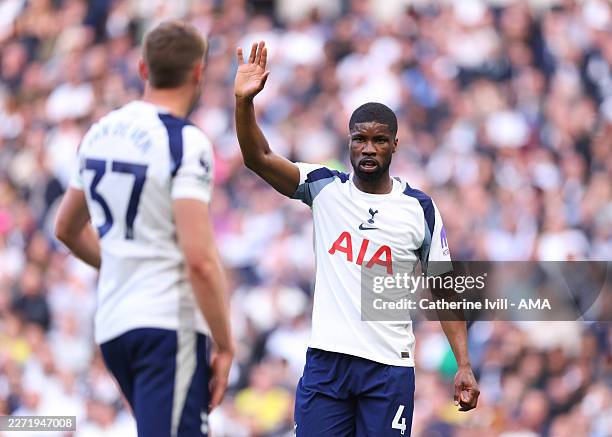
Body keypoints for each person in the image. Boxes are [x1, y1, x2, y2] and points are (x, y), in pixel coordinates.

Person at [234, 41, 479, 436]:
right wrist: (244, 103)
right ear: (348, 141)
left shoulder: (418, 208)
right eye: (359, 139)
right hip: (327, 363)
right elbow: (257, 158)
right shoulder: (323, 187)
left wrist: (463, 364)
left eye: (379, 140)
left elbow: (445, 290)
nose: (368, 148)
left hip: (388, 369)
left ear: (394, 145)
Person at [55, 21, 233, 437]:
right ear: (198, 73)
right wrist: (225, 344)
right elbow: (200, 261)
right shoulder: (185, 141)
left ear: (142, 69)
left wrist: (119, 264)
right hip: (166, 323)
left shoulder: (100, 132)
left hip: (115, 325)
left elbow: (65, 227)